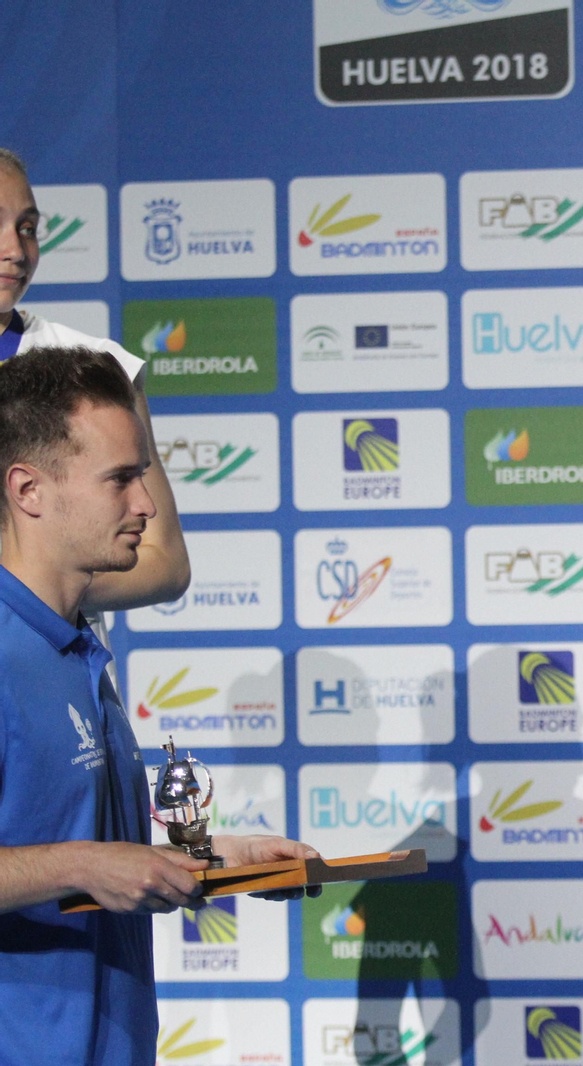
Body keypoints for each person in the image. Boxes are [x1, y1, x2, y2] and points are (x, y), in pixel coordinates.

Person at [0, 347, 317, 1066]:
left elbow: (72, 844)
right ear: (29, 490)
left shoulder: (75, 646)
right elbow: (78, 861)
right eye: (120, 479)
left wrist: (206, 860)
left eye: (141, 475)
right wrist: (83, 864)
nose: (146, 504)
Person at [0, 147, 190, 646]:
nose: (16, 250)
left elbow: (165, 563)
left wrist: (30, 587)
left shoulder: (95, 367)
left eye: (27, 227)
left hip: (60, 690)